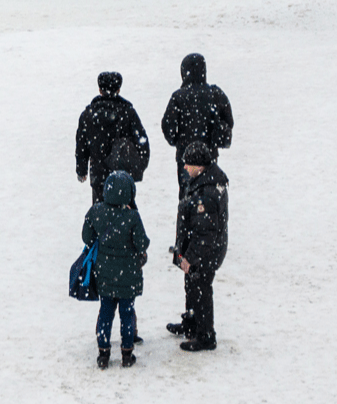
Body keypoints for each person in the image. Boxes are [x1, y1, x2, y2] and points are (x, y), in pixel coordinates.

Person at [81, 171, 150, 369]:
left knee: (106, 311)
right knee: (127, 312)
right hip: (128, 275)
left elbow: (87, 237)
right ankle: (127, 354)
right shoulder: (132, 216)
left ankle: (103, 353)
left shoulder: (95, 211)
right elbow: (142, 244)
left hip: (104, 273)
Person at [169, 142, 228, 350]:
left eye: (188, 164)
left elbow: (205, 233)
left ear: (200, 166)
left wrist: (189, 257)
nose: (184, 167)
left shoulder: (206, 193)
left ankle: (205, 336)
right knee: (192, 286)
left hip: (205, 253)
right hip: (202, 250)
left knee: (201, 289)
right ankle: (192, 324)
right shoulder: (203, 181)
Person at [75, 72, 150, 205]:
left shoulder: (88, 114)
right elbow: (142, 142)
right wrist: (138, 167)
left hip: (98, 175)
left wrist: (82, 170)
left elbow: (81, 145)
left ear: (99, 90)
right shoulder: (128, 112)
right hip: (123, 175)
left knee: (100, 215)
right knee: (125, 215)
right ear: (119, 89)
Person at [160, 53, 233, 188]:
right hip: (209, 154)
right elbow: (229, 121)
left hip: (185, 156)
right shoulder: (215, 93)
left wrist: (177, 141)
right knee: (209, 192)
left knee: (187, 196)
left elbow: (167, 126)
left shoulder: (178, 97)